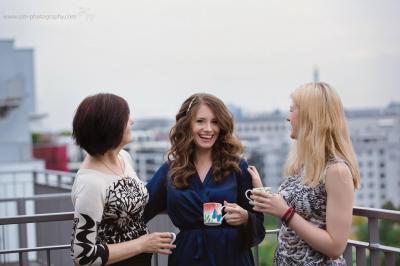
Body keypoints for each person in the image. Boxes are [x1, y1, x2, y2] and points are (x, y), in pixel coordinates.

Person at [144, 93, 266, 266]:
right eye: (200, 121)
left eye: (215, 122)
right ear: (187, 124)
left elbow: (259, 226)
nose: (208, 128)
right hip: (187, 257)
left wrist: (246, 217)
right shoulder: (171, 170)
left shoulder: (237, 167)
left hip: (231, 258)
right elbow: (140, 209)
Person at [248, 82, 361, 265]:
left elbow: (335, 247)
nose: (288, 117)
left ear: (311, 116)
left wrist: (285, 213)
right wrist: (263, 193)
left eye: (292, 109)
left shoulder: (337, 171)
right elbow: (298, 210)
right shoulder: (304, 165)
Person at [70, 93, 175, 266]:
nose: (131, 121)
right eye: (126, 118)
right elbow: (83, 254)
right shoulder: (90, 182)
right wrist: (142, 244)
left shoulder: (124, 158)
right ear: (109, 125)